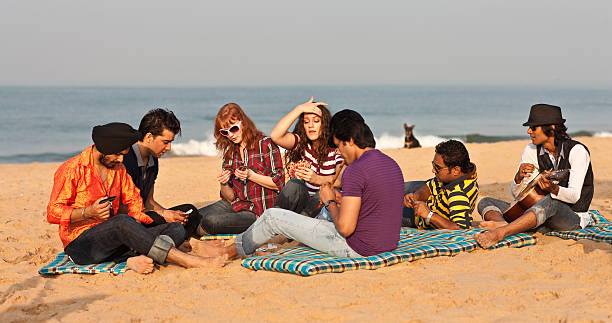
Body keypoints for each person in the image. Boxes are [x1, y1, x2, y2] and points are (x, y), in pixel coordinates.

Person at [195, 109, 405, 259]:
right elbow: (375, 206)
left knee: (272, 217)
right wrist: (338, 200)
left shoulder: (355, 171)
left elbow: (346, 228)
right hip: (387, 244)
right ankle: (259, 242)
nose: (339, 152)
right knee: (313, 216)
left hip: (356, 247)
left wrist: (330, 201)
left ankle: (228, 251)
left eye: (340, 146)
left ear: (350, 141)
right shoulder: (391, 164)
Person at [47, 123, 224, 274]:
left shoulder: (119, 169)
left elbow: (136, 208)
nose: (121, 159)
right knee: (121, 222)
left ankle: (134, 258)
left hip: (115, 243)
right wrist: (88, 212)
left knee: (176, 228)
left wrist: (163, 216)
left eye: (124, 154)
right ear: (103, 148)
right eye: (117, 154)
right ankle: (185, 260)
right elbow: (53, 213)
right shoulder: (72, 169)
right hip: (81, 246)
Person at [475, 104, 594, 248]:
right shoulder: (531, 149)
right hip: (536, 212)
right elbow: (519, 196)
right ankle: (506, 224)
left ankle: (501, 232)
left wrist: (553, 189)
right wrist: (519, 178)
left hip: (572, 217)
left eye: (533, 127)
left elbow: (574, 196)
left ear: (551, 128)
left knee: (551, 201)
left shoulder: (577, 151)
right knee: (485, 202)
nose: (528, 131)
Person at [121, 108, 205, 248]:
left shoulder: (153, 160)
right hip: (129, 220)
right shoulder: (126, 160)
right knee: (176, 228)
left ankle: (173, 241)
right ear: (149, 137)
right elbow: (122, 210)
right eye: (165, 142)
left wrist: (171, 215)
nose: (169, 148)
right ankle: (171, 242)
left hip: (145, 216)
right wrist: (163, 215)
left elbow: (149, 201)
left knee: (190, 212)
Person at [198, 103, 285, 234]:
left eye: (233, 129)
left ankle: (198, 230)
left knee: (212, 221)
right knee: (194, 216)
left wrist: (251, 176)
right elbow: (230, 197)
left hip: (257, 212)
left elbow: (279, 184)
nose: (230, 135)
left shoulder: (266, 144)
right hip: (236, 205)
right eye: (225, 132)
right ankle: (196, 229)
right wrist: (224, 184)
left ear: (243, 123)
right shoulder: (231, 152)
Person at [270, 97, 344, 217]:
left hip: (325, 208)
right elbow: (276, 136)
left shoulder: (336, 147)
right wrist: (299, 109)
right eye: (306, 122)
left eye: (316, 121)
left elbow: (342, 179)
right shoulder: (303, 144)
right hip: (305, 203)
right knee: (294, 183)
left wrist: (317, 179)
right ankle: (273, 219)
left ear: (324, 124)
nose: (310, 126)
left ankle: (293, 227)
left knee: (326, 189)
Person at [402, 140, 478, 230]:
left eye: (437, 167)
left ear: (456, 170)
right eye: (433, 165)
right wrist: (416, 196)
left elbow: (461, 229)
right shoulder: (454, 176)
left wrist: (429, 215)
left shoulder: (458, 195)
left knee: (386, 213)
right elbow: (430, 186)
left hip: (422, 216)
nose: (433, 170)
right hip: (430, 199)